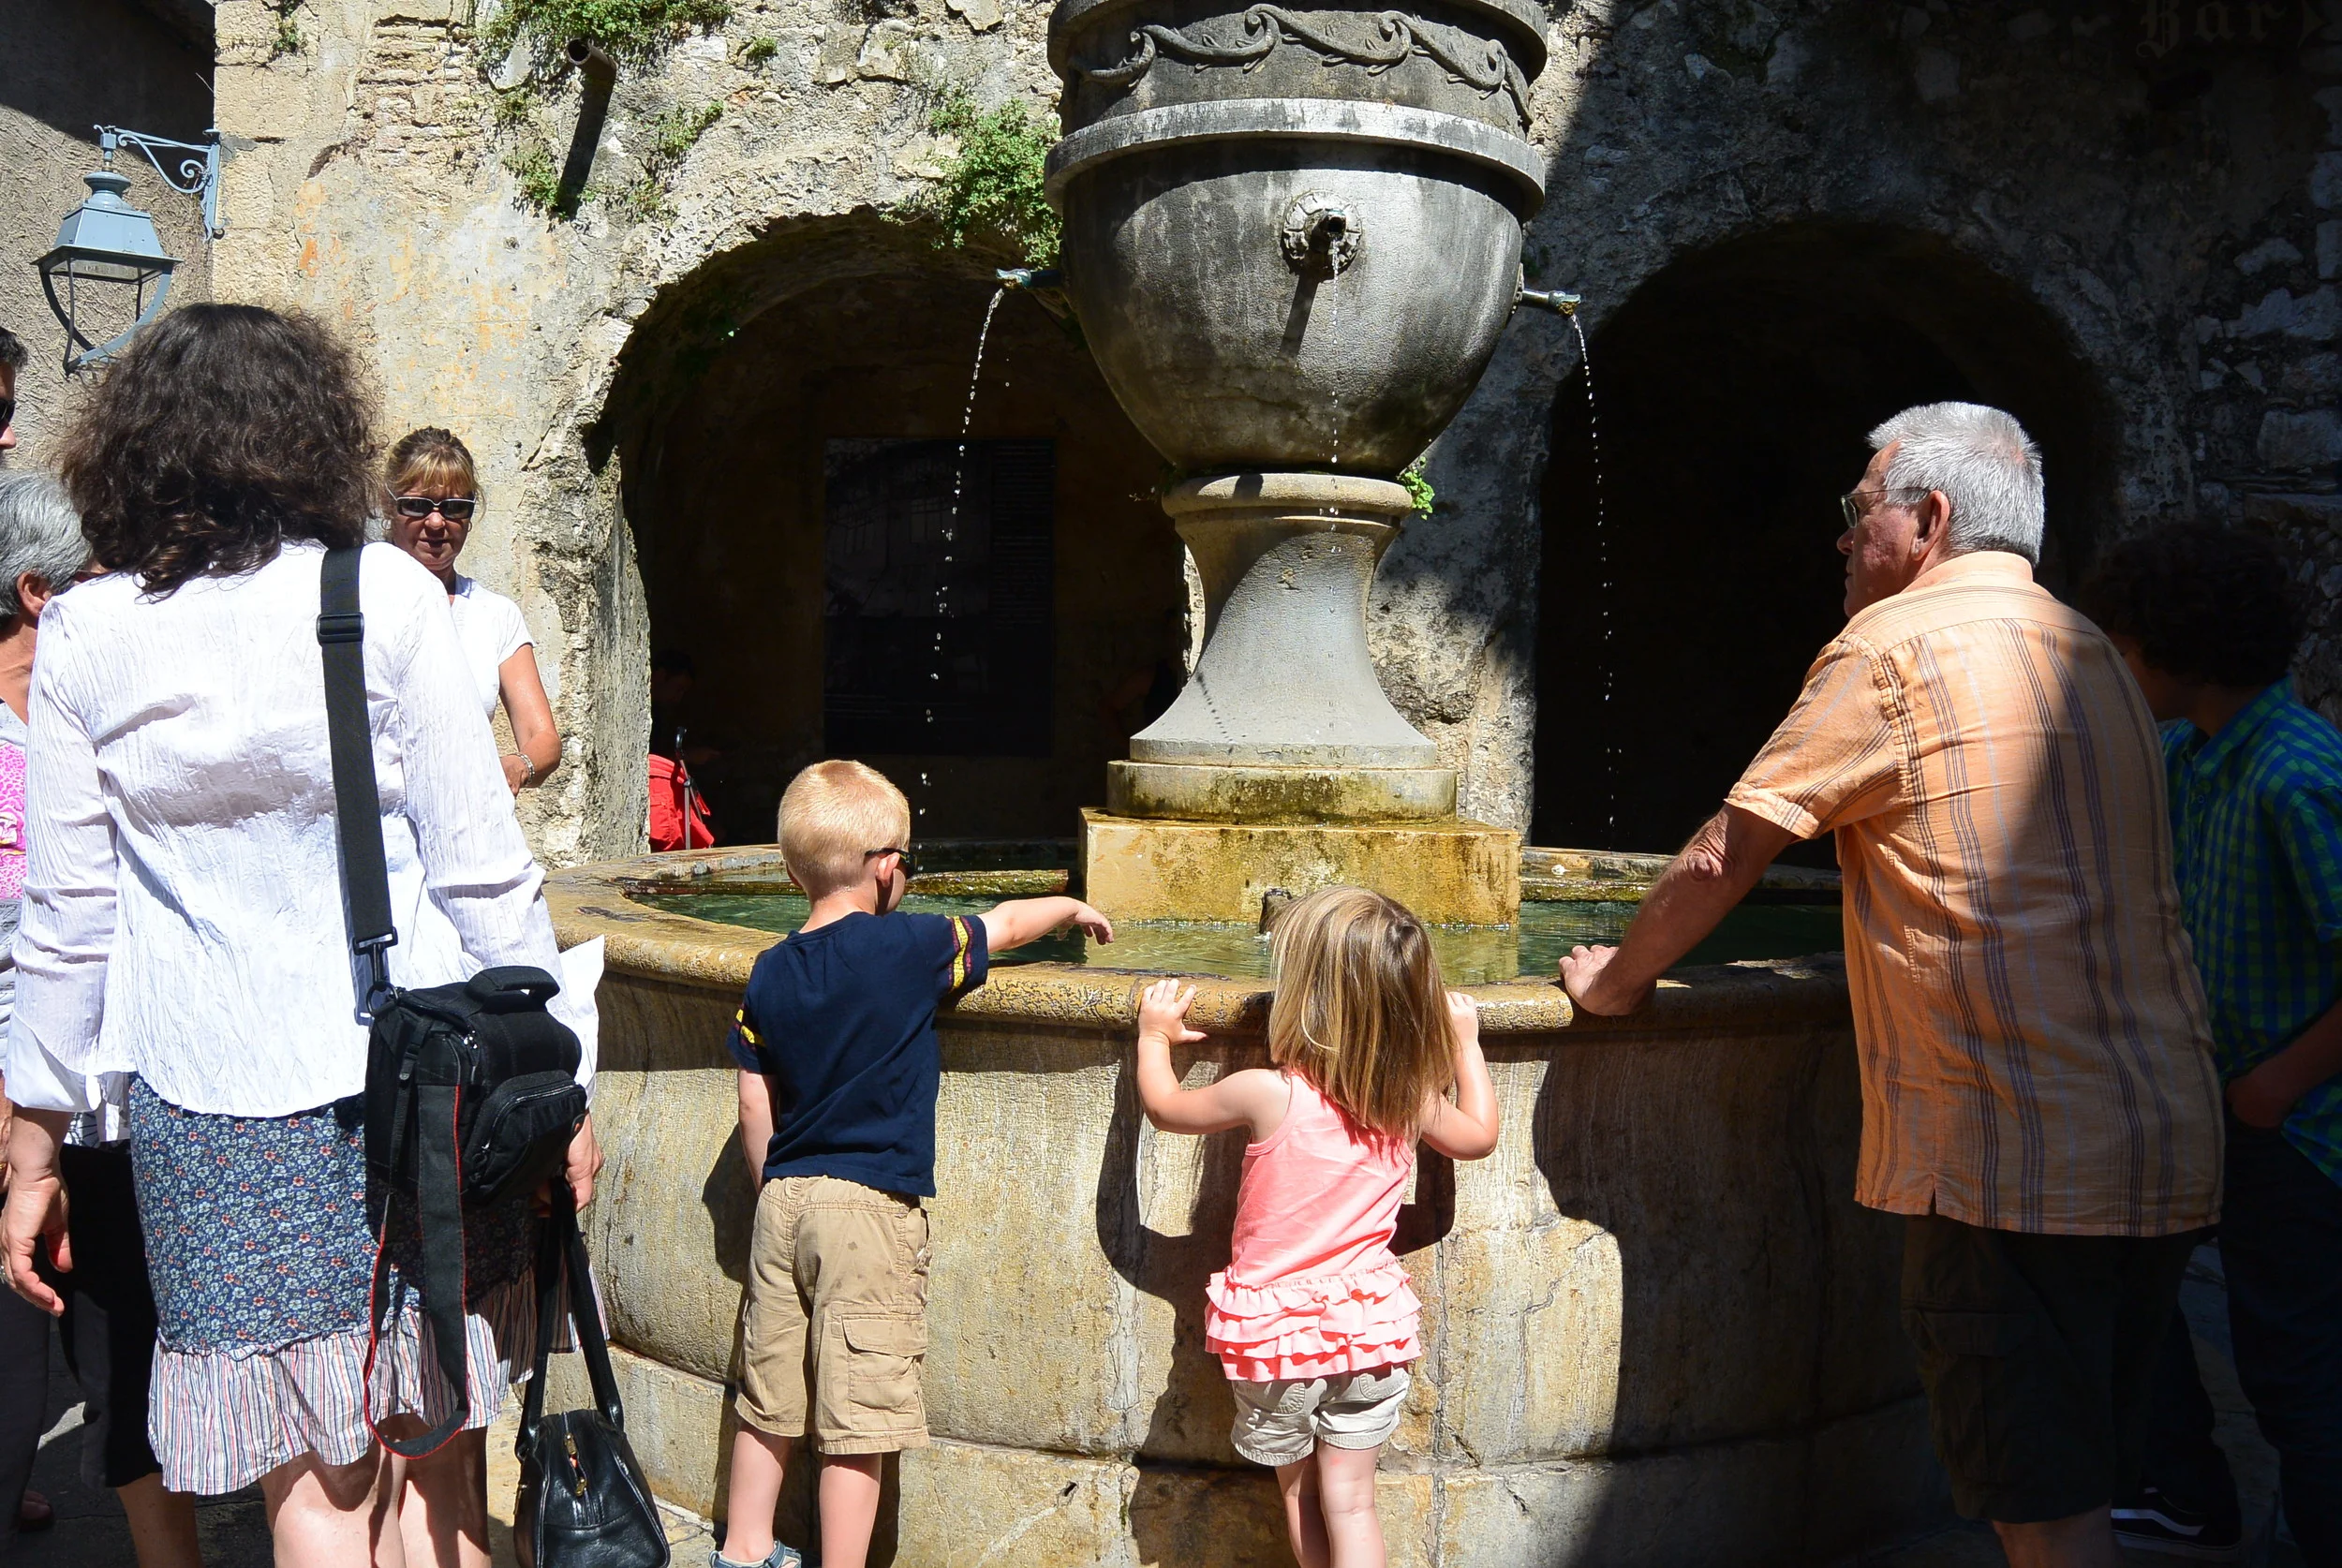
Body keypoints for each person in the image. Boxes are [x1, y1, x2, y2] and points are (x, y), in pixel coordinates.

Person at [1560, 403, 2223, 1568]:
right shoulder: (2096, 660)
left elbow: (1727, 852)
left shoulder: (1891, 651)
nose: (1839, 540)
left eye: (1855, 510)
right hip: (2159, 1134)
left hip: (2012, 1156)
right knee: (2083, 1480)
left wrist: (1614, 979)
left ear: (1929, 518)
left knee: (2045, 1509)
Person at [0, 303, 601, 1568]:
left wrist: (34, 1146)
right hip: (417, 1079)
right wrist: (569, 1084)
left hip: (210, 1110)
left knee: (312, 1493)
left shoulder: (88, 637)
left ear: (135, 452)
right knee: (434, 1468)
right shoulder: (380, 589)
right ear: (310, 436)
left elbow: (66, 926)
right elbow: (484, 867)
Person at [714, 760, 1113, 1568]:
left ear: (793, 871)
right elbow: (1000, 926)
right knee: (859, 1416)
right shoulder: (909, 945)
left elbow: (754, 1104)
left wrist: (775, 1186)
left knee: (769, 1391)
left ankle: (744, 1548)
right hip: (868, 1204)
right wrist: (1068, 905)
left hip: (784, 1198)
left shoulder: (769, 970)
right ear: (889, 867)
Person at [2081, 524, 2342, 1564]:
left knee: (2294, 1365)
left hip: (2300, 1133)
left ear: (2175, 646)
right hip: (2216, 1106)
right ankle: (2184, 1493)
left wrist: (2275, 1089)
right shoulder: (2189, 757)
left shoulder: (2294, 777)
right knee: (2121, 1279)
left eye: (2122, 644)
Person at [1134, 888, 1499, 1568]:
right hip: (1368, 1327)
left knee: (1302, 1499)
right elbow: (1477, 1137)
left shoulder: (1268, 1091)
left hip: (1277, 1340)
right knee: (1353, 1502)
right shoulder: (1407, 1095)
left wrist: (1154, 1036)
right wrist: (1465, 1047)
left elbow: (1164, 1107)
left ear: (1308, 997)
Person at [0, 474, 201, 1568]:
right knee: (60, 1375)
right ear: (41, 595)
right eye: (105, 573)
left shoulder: (131, 707)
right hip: (47, 1107)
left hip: (138, 1104)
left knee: (156, 1362)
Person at [383, 426, 561, 795]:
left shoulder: (494, 615)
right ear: (389, 506)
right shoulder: (355, 601)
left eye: (454, 508)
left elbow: (542, 736)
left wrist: (518, 765)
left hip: (466, 829)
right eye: (417, 505)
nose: (436, 523)